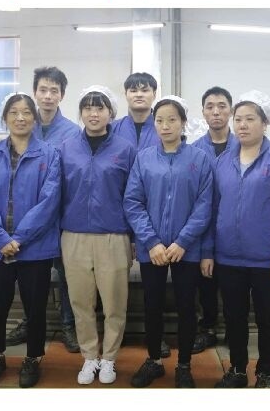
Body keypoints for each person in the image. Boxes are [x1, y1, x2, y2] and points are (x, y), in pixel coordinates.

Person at [208, 90, 270, 389]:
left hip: (267, 260)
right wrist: (209, 251)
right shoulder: (223, 161)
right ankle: (237, 370)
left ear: (265, 123)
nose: (242, 125)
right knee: (233, 318)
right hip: (228, 258)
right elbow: (212, 209)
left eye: (250, 119)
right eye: (238, 119)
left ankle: (265, 373)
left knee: (267, 319)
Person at [124, 96, 213, 388]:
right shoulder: (144, 158)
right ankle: (154, 361)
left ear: (183, 123)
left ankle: (184, 365)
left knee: (187, 307)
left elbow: (204, 205)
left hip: (187, 249)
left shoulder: (199, 159)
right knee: (153, 305)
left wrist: (183, 241)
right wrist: (151, 242)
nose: (165, 126)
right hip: (153, 249)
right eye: (160, 120)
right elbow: (133, 202)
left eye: (172, 120)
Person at [0, 93, 61, 388]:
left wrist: (20, 238)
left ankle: (33, 358)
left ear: (35, 119)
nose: (20, 118)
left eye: (26, 112)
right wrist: (1, 238)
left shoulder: (49, 155)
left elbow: (49, 201)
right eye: (14, 112)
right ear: (5, 118)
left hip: (35, 249)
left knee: (35, 309)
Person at [59, 86, 136, 385]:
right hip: (74, 235)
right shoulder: (66, 148)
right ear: (80, 112)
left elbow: (134, 196)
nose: (93, 113)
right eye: (88, 107)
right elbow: (57, 193)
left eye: (100, 107)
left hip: (113, 235)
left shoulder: (125, 150)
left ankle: (110, 359)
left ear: (110, 113)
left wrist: (133, 238)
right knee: (81, 302)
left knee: (115, 304)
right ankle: (90, 356)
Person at [6, 66, 81, 353]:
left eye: (54, 91)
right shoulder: (24, 126)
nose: (48, 96)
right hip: (28, 219)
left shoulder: (72, 132)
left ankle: (69, 325)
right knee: (29, 276)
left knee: (67, 275)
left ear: (62, 95)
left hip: (61, 218)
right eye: (43, 90)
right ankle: (30, 322)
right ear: (35, 92)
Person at [111, 71, 170, 358]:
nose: (139, 94)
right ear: (125, 94)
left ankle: (156, 337)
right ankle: (115, 334)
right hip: (117, 215)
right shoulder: (113, 129)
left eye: (145, 89)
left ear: (154, 94)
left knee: (153, 286)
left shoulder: (163, 127)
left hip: (155, 217)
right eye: (133, 90)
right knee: (113, 280)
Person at [190, 86, 233, 353]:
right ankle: (207, 329)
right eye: (210, 106)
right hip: (203, 229)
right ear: (203, 112)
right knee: (205, 284)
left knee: (233, 284)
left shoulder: (244, 147)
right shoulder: (194, 151)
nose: (216, 111)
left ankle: (233, 328)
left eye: (221, 106)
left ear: (231, 110)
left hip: (234, 230)